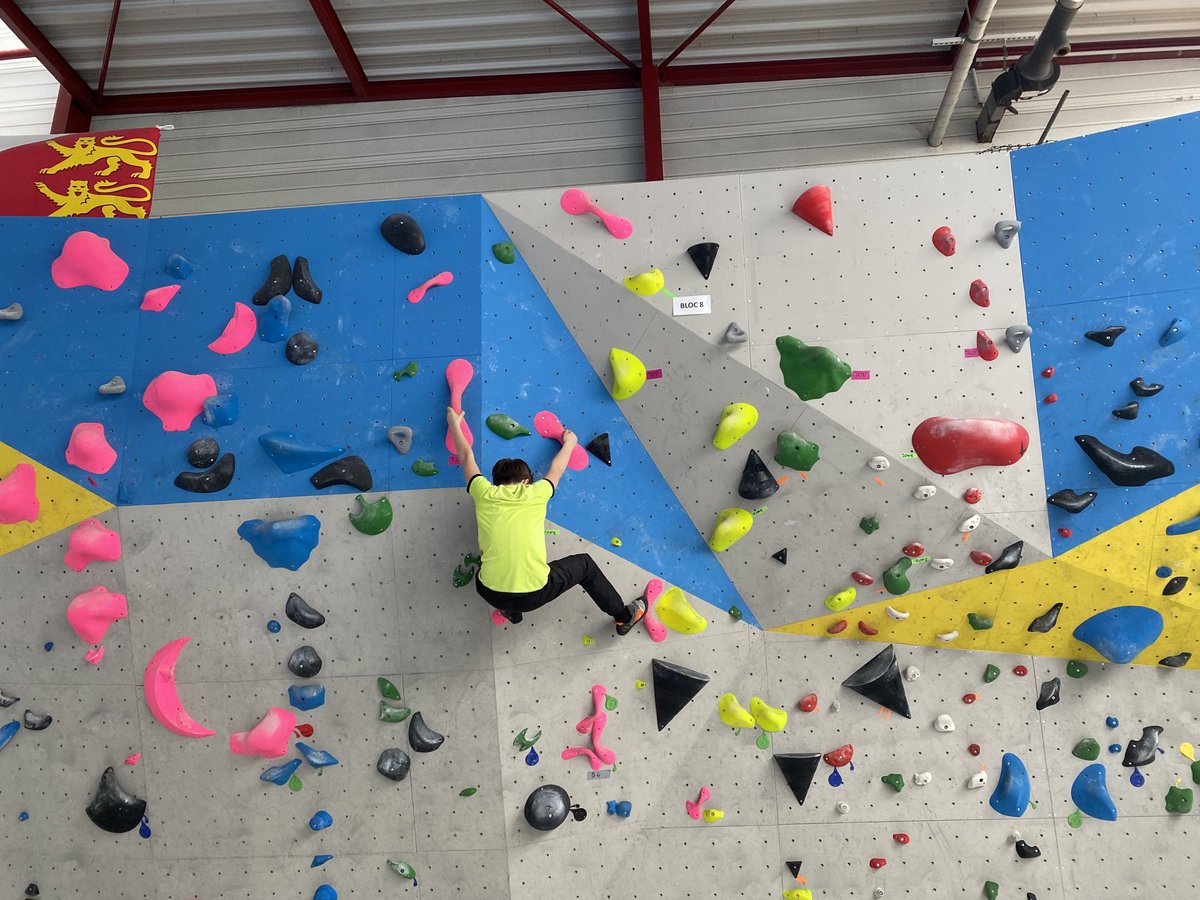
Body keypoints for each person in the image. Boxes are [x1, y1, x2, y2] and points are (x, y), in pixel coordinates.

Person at [447, 407, 647, 633]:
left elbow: (466, 456)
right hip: (534, 595)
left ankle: (510, 610)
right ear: (526, 481)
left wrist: (454, 424)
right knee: (585, 565)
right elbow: (557, 467)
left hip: (489, 592)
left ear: (496, 483)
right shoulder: (536, 493)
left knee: (488, 555)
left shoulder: (483, 492)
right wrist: (570, 442)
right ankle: (624, 617)